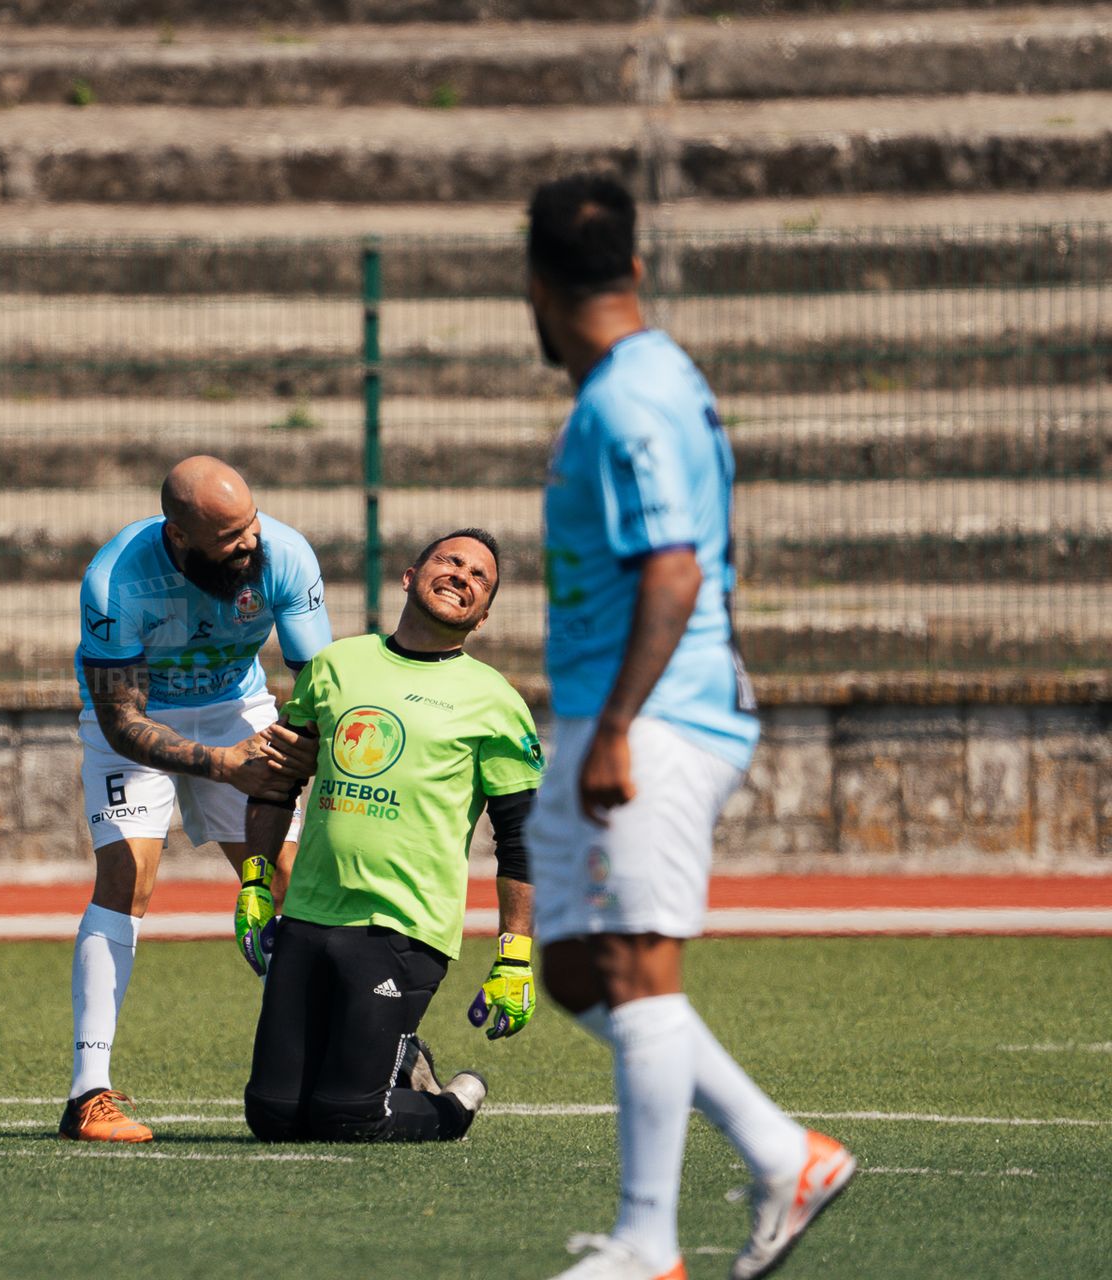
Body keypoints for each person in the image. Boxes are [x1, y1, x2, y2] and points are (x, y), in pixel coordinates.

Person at [524, 174, 855, 1280]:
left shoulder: (630, 397)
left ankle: (646, 1244)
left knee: (631, 958)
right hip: (612, 706)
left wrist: (618, 723)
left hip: (651, 713)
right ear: (637, 267)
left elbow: (675, 565)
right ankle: (780, 1150)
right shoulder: (636, 381)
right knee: (573, 965)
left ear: (534, 286)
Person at [242, 529, 542, 1143]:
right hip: (309, 915)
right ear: (409, 576)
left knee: (348, 1118)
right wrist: (256, 882)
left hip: (404, 928)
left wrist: (515, 955)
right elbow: (277, 783)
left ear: (482, 616)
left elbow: (522, 839)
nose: (462, 576)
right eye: (450, 561)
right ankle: (403, 1061)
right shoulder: (332, 667)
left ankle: (456, 1101)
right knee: (272, 1117)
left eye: (479, 577)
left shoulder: (496, 702)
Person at [64, 455, 328, 1142]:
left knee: (294, 884)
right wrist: (220, 767)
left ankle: (323, 1068)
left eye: (251, 525)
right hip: (139, 716)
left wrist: (293, 749)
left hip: (238, 704)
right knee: (128, 877)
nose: (250, 544)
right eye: (230, 537)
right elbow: (122, 721)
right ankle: (88, 1093)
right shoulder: (116, 580)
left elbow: (317, 684)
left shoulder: (285, 555)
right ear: (180, 537)